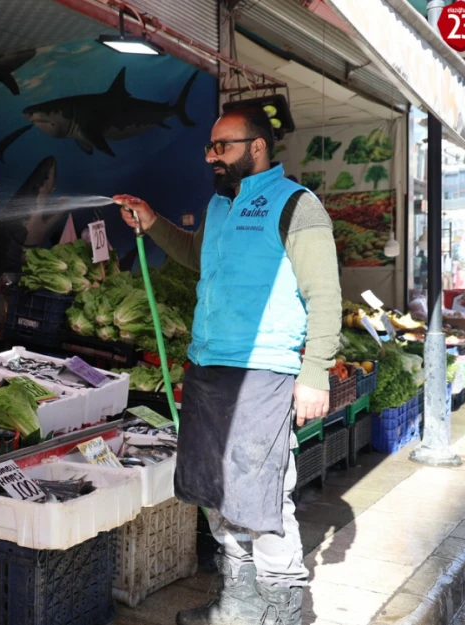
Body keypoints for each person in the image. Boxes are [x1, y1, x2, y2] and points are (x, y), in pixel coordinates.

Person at [115, 106, 341, 625]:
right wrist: (152, 223)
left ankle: (281, 610)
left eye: (224, 147)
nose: (213, 157)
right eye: (210, 148)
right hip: (207, 367)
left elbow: (325, 295)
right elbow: (198, 256)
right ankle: (237, 604)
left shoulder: (296, 205)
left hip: (263, 372)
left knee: (261, 496)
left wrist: (315, 372)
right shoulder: (220, 205)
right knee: (214, 490)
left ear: (257, 147)